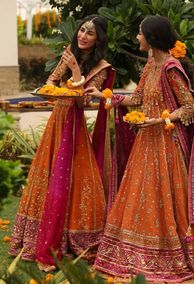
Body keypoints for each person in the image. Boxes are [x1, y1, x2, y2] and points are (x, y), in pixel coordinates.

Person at [90, 15, 194, 283]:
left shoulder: (170, 69)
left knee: (163, 200)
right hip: (145, 144)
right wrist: (106, 96)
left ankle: (169, 256)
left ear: (151, 37)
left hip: (165, 146)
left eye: (140, 33)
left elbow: (189, 107)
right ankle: (131, 253)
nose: (137, 38)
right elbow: (138, 98)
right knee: (137, 198)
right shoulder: (151, 65)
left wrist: (161, 119)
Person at [9, 15, 115, 271]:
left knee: (72, 183)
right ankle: (38, 236)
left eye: (89, 33)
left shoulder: (102, 68)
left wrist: (77, 73)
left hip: (75, 130)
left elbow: (83, 103)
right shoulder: (68, 54)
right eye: (81, 31)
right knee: (47, 178)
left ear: (98, 38)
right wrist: (51, 89)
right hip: (57, 124)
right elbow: (51, 81)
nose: (82, 36)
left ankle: (69, 238)